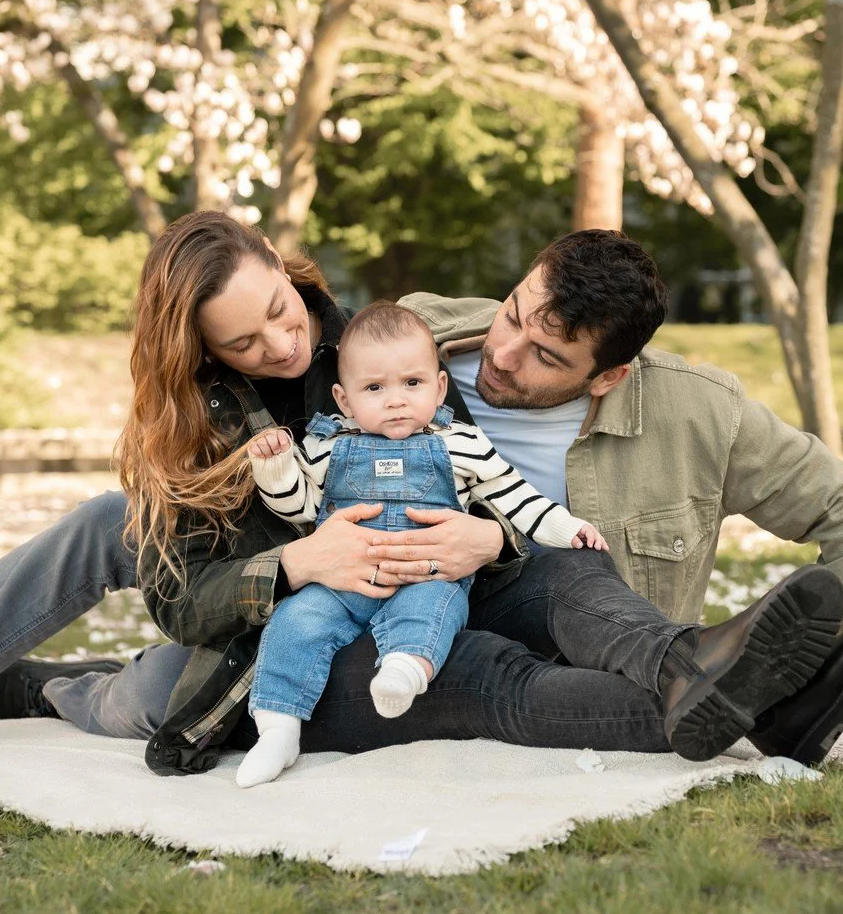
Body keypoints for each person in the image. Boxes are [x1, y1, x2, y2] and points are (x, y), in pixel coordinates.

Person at [0, 218, 843, 774]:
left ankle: (707, 678)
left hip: (463, 582)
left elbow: (496, 472)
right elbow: (188, 598)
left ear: (294, 274)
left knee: (558, 578)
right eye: (243, 338)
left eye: (282, 311)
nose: (276, 343)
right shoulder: (219, 415)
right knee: (125, 670)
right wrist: (296, 564)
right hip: (274, 635)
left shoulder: (388, 346)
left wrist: (485, 530)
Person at [237, 301, 606, 787]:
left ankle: (404, 671)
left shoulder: (463, 444)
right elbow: (299, 507)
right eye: (374, 388)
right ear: (344, 401)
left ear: (439, 386)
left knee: (434, 606)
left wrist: (568, 529)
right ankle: (278, 730)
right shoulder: (327, 447)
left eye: (412, 384)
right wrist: (276, 468)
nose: (396, 400)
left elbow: (517, 497)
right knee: (295, 621)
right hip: (341, 582)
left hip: (425, 573)